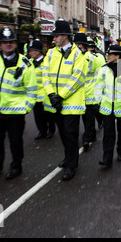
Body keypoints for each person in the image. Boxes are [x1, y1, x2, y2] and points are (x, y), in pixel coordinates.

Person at [0, 26, 36, 180]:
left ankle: (16, 166)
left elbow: (32, 90)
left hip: (14, 112)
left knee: (15, 142)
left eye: (11, 41)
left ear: (15, 43)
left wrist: (26, 108)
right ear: (1, 43)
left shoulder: (25, 64)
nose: (8, 44)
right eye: (4, 42)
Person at [42, 19, 88, 181]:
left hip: (70, 103)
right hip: (55, 102)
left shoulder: (78, 54)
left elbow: (78, 78)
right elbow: (44, 74)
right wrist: (51, 95)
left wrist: (61, 95)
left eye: (56, 36)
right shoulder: (51, 53)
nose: (53, 39)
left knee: (70, 134)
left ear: (64, 36)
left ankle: (71, 164)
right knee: (62, 133)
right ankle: (68, 156)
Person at [95, 45, 121, 168]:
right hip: (107, 107)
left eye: (110, 54)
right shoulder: (104, 69)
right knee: (108, 134)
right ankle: (107, 158)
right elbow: (98, 87)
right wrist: (97, 102)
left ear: (117, 56)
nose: (108, 56)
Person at [74, 32, 106, 152]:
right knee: (89, 117)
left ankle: (88, 137)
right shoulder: (99, 57)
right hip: (93, 91)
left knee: (87, 117)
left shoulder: (79, 57)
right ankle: (90, 136)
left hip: (85, 91)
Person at [28, 39, 55, 140]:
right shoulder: (29, 63)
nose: (30, 53)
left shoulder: (46, 62)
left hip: (45, 95)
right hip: (35, 95)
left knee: (48, 115)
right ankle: (42, 131)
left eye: (31, 50)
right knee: (38, 116)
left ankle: (51, 130)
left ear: (38, 51)